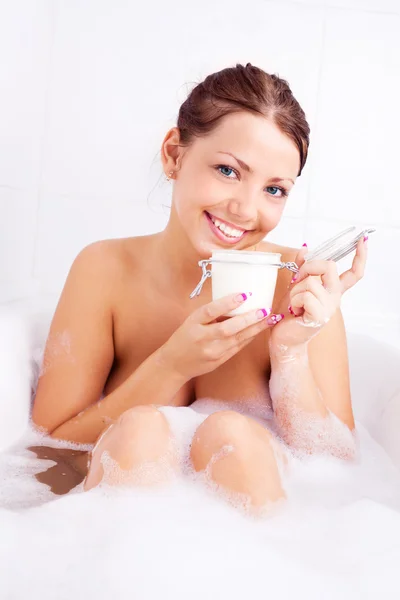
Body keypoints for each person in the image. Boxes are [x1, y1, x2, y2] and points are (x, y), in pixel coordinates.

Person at [31, 63, 368, 512]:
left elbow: (338, 470)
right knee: (139, 432)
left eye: (275, 189)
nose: (245, 208)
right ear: (174, 154)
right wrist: (172, 364)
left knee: (233, 436)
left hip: (258, 543)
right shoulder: (106, 270)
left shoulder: (301, 285)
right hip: (115, 534)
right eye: (228, 170)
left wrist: (290, 353)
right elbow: (45, 450)